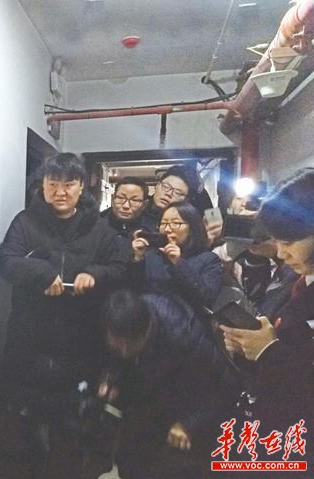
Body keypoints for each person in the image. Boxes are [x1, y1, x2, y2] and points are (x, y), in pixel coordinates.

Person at [0, 152, 128, 479]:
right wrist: (42, 274)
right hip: (28, 344)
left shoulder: (100, 229)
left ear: (81, 186)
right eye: (53, 183)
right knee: (18, 437)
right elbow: (7, 262)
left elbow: (120, 268)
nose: (60, 191)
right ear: (43, 185)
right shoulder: (25, 222)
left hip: (79, 347)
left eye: (69, 184)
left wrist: (93, 274)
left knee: (69, 441)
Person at [220, 168, 314, 471]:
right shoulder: (295, 279)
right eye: (277, 242)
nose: (281, 253)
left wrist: (267, 350)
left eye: (288, 242)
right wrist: (250, 348)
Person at [98, 289, 239, 479]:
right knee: (129, 456)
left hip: (194, 403)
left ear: (146, 331)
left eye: (128, 345)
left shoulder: (186, 337)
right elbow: (118, 358)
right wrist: (111, 379)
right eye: (117, 345)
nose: (123, 351)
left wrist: (189, 424)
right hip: (156, 392)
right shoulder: (122, 320)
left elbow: (224, 387)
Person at [130, 201, 222, 314]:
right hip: (150, 319)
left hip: (187, 321)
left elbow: (207, 298)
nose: (168, 229)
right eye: (164, 223)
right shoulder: (151, 255)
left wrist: (178, 263)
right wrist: (137, 258)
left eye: (176, 223)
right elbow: (134, 291)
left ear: (192, 227)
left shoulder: (208, 259)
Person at [140, 165, 199, 232]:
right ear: (157, 185)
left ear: (187, 200)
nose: (169, 194)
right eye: (166, 186)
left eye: (178, 193)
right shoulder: (136, 211)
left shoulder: (187, 227)